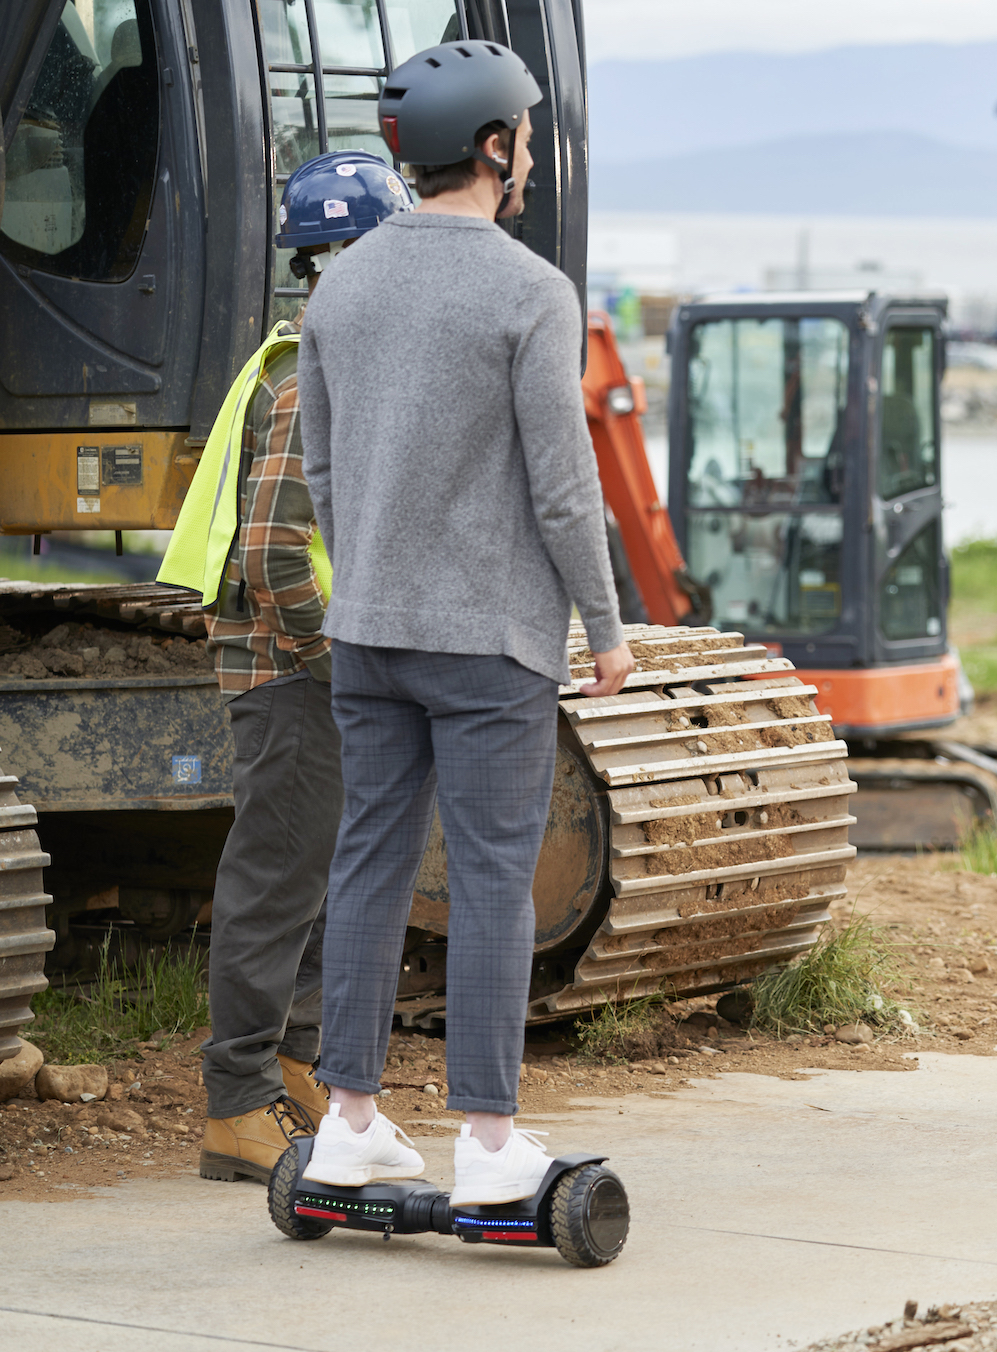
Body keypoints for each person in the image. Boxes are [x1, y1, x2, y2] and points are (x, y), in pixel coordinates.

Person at [296, 40, 635, 1204]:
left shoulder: (342, 282)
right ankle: (490, 1143)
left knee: (369, 862)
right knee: (493, 876)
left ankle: (348, 1118)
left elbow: (324, 469)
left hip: (369, 627)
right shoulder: (530, 291)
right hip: (489, 640)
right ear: (493, 148)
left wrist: (373, 576)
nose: (531, 153)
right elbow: (562, 483)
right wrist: (606, 625)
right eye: (527, 135)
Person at [156, 150, 412, 1183]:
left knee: (311, 873)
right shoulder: (315, 379)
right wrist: (335, 653)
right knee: (273, 880)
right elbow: (268, 552)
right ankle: (235, 1105)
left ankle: (297, 1064)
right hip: (292, 669)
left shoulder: (312, 359)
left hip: (301, 664)